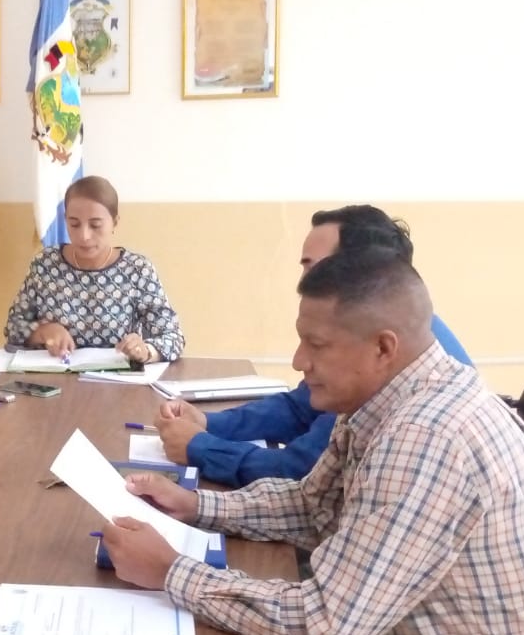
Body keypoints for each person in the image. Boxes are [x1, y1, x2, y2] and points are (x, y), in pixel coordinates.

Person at [100, 249, 524, 635]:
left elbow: (322, 624)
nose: (299, 361)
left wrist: (170, 571)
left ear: (383, 347)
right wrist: (196, 506)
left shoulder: (427, 438)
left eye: (316, 345)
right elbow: (313, 504)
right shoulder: (388, 397)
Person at [154, 205, 472, 487]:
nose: (304, 283)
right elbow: (299, 408)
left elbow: (301, 471)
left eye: (315, 268)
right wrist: (208, 423)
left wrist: (200, 447)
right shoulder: (388, 333)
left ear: (363, 273)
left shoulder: (401, 385)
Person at [3, 176, 185, 362]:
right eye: (74, 224)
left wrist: (145, 351)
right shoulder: (45, 264)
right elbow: (13, 327)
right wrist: (43, 332)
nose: (84, 236)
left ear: (115, 222)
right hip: (55, 375)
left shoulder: (137, 270)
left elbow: (173, 337)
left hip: (115, 377)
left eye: (95, 225)